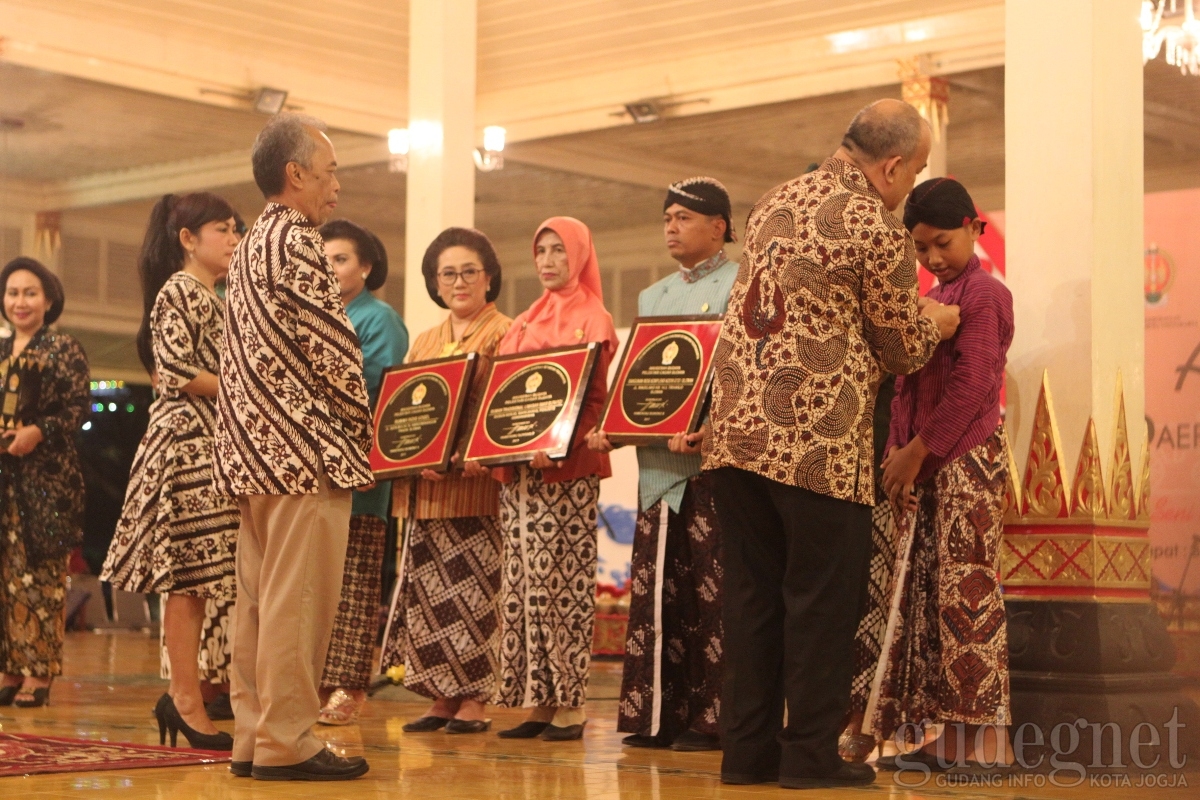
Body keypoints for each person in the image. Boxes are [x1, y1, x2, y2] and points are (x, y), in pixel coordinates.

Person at [703, 99, 962, 789]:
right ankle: (809, 760)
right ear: (892, 165)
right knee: (819, 607)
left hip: (734, 439)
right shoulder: (875, 227)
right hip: (815, 445)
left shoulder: (774, 200)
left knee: (752, 601)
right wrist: (937, 320)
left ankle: (747, 757)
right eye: (915, 171)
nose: (911, 184)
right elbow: (903, 349)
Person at [213, 112, 374, 782]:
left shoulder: (248, 244)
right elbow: (332, 347)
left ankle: (253, 736)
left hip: (250, 452)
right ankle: (288, 739)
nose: (337, 184)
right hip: (301, 451)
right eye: (330, 170)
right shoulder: (298, 240)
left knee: (258, 602)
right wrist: (360, 428)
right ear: (296, 173)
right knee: (298, 600)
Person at [868, 177, 1015, 770]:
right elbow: (906, 384)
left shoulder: (986, 295)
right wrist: (898, 450)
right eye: (921, 247)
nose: (931, 258)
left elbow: (973, 385)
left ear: (975, 228)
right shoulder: (928, 299)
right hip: (924, 464)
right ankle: (947, 735)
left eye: (942, 243)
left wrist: (917, 451)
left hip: (966, 461)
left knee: (967, 597)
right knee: (927, 598)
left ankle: (985, 743)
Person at [587, 177, 737, 752]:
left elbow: (739, 376)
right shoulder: (651, 298)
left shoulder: (739, 286)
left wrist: (712, 429)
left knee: (712, 597)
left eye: (683, 217)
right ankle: (655, 718)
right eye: (666, 218)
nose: (671, 227)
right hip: (656, 470)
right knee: (656, 596)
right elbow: (640, 383)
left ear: (719, 225)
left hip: (708, 467)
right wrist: (615, 430)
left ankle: (713, 721)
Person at [101, 193, 241, 749]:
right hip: (185, 443)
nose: (233, 239)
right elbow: (180, 372)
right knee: (186, 582)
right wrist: (249, 388)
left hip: (208, 442)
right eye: (222, 230)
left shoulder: (215, 296)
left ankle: (182, 696)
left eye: (235, 230)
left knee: (198, 582)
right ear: (188, 239)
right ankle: (184, 699)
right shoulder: (179, 292)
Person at [488, 217, 618, 742]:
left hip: (565, 472)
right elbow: (506, 399)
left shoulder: (594, 317)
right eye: (540, 250)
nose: (547, 261)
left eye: (558, 251)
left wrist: (556, 445)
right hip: (522, 476)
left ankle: (570, 704)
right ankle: (538, 702)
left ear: (580, 256)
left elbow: (593, 399)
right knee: (521, 585)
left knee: (558, 582)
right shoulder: (523, 321)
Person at [378, 227, 511, 735]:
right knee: (430, 595)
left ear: (489, 277)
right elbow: (408, 410)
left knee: (474, 595)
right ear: (436, 282)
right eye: (448, 273)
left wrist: (464, 452)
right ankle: (440, 697)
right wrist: (413, 455)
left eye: (469, 272)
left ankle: (474, 698)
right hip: (425, 487)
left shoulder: (505, 331)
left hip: (475, 485)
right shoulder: (427, 340)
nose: (459, 282)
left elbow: (503, 407)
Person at [315, 218, 408, 726]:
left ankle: (349, 688)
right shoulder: (320, 315)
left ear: (366, 267)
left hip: (360, 472)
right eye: (323, 260)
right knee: (318, 584)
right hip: (316, 473)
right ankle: (317, 681)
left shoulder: (379, 318)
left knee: (353, 585)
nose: (330, 269)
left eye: (341, 259)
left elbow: (377, 395)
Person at [0, 258, 89, 709]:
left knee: (41, 581)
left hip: (47, 486)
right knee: (5, 581)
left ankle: (39, 674)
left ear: (48, 299)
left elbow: (76, 410)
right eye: (12, 293)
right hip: (3, 485)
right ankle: (10, 670)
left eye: (29, 293)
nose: (20, 301)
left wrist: (37, 432)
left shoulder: (63, 349)